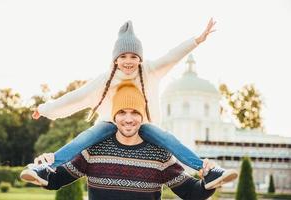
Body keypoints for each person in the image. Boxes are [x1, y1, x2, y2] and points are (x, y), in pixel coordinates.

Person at [20, 18, 237, 189]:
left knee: (168, 139)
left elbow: (171, 56)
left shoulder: (149, 71)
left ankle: (206, 170)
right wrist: (45, 108)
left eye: (133, 56)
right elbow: (77, 96)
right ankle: (47, 167)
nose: (128, 62)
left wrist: (197, 40)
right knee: (84, 138)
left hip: (142, 122)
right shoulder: (105, 78)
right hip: (110, 122)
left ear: (140, 59)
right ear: (115, 59)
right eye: (123, 56)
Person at [29, 82, 218, 200]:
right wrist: (44, 165)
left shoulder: (159, 155)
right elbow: (55, 180)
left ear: (143, 116)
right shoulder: (94, 150)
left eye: (135, 112)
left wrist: (210, 180)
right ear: (113, 116)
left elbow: (192, 193)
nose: (128, 119)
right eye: (122, 112)